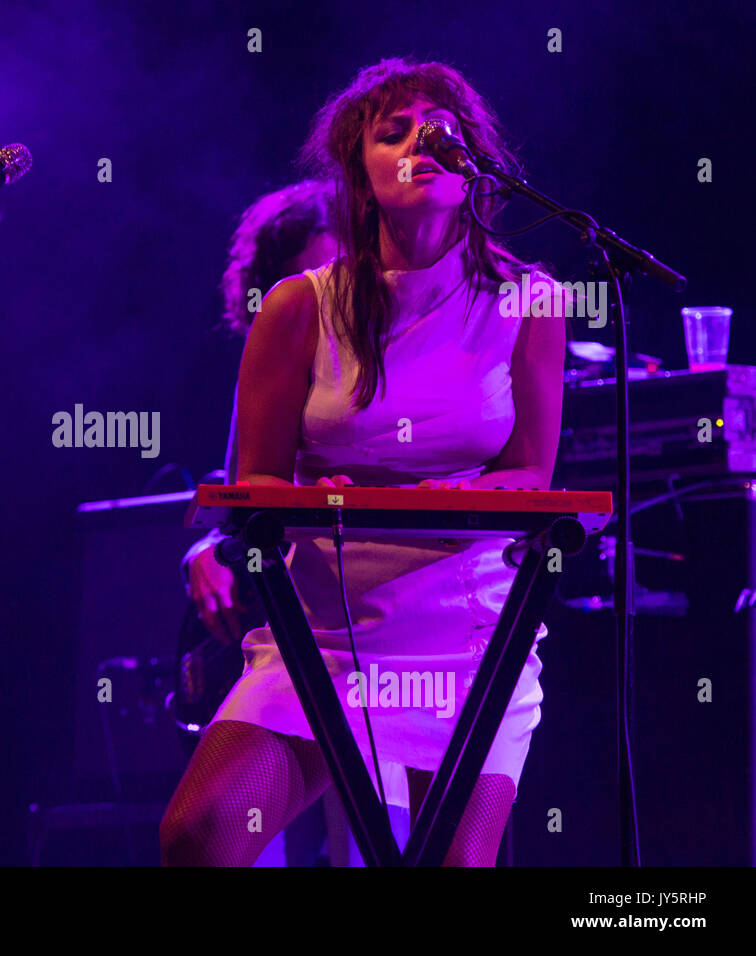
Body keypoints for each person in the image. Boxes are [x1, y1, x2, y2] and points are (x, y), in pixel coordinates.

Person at [160, 58, 568, 867]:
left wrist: (443, 494)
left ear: (474, 162)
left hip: (467, 633)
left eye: (442, 130)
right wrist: (311, 495)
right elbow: (258, 482)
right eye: (395, 132)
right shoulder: (299, 305)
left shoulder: (532, 300)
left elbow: (533, 475)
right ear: (360, 174)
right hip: (326, 635)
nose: (424, 141)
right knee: (201, 834)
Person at [179, 180, 411, 866]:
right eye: (305, 275)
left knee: (371, 841)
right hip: (290, 630)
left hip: (380, 629)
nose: (322, 291)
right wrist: (205, 547)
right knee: (227, 835)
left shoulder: (401, 356)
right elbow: (238, 495)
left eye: (336, 270)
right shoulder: (274, 358)